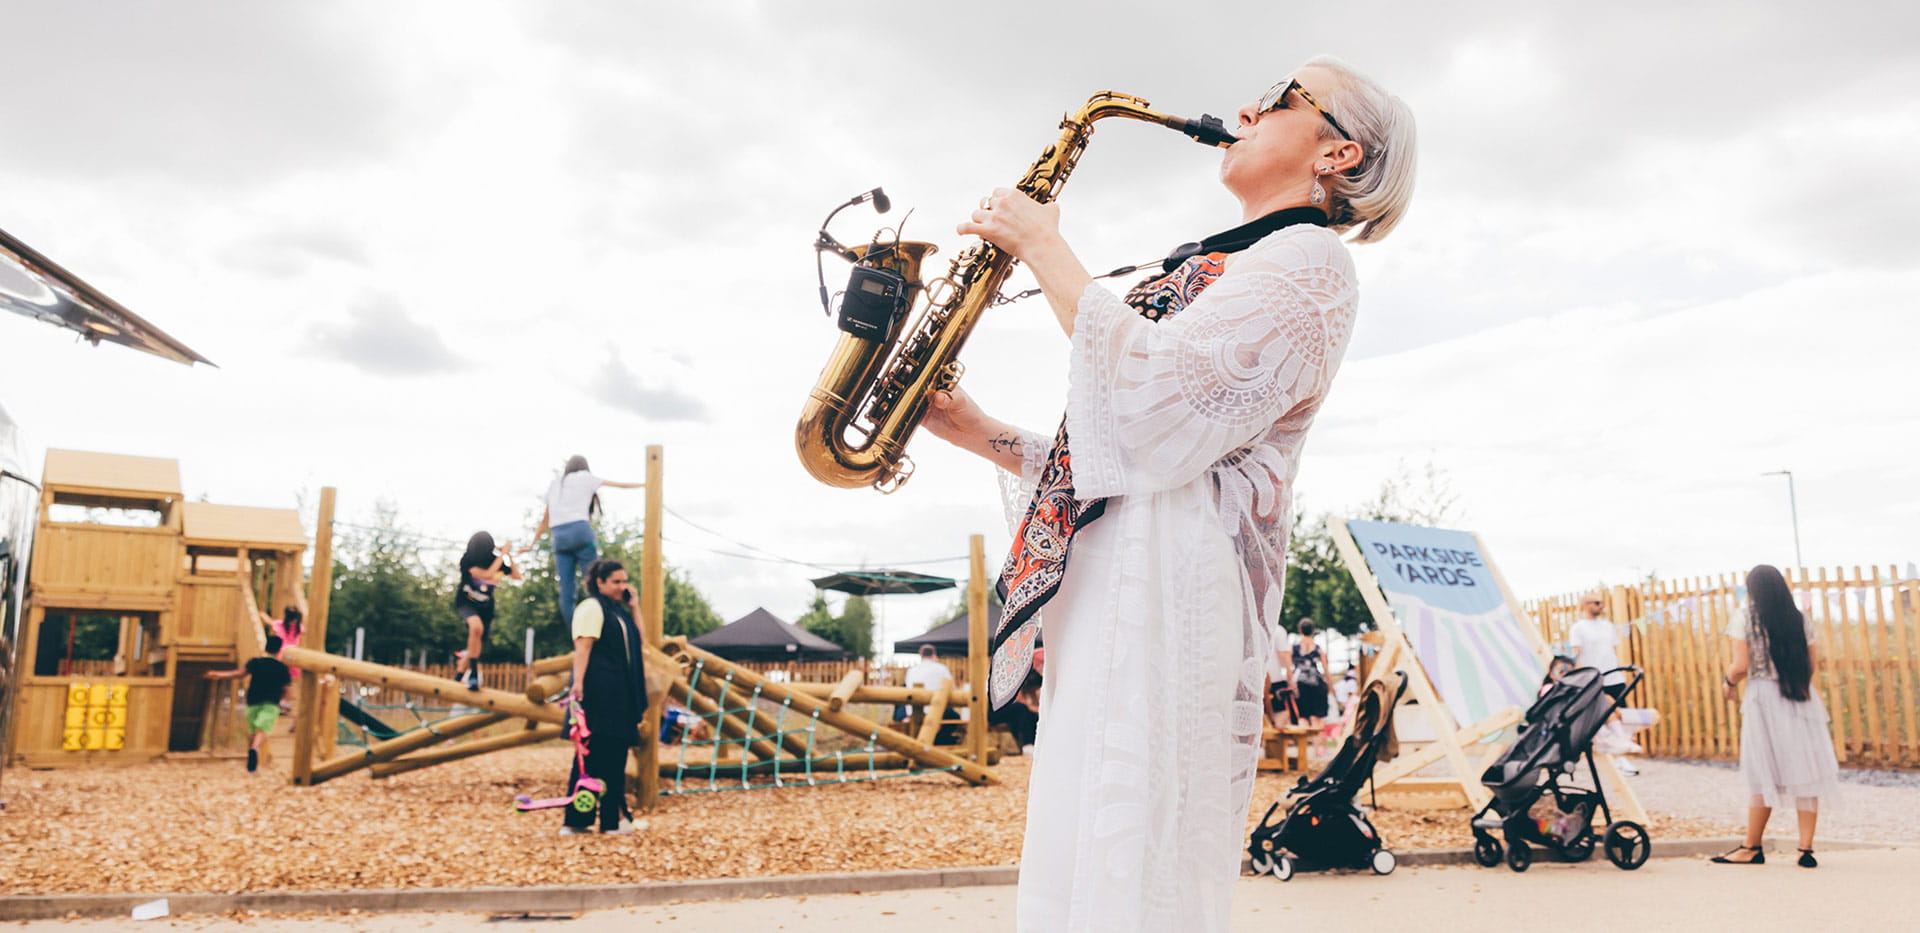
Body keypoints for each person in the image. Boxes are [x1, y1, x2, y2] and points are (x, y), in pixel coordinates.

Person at [921, 58, 1415, 931]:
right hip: (1127, 584)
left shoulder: (1311, 262)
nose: (1246, 107)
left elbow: (1155, 403)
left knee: (1128, 876)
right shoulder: (1246, 257)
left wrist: (1043, 245)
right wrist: (976, 429)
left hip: (1167, 593)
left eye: (1280, 97)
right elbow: (1129, 456)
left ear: (1338, 153)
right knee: (1086, 862)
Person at [1711, 564, 1839, 868]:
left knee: (1761, 771)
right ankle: (1805, 849)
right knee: (1806, 770)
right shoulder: (1799, 618)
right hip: (1799, 695)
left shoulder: (1744, 617)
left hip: (1763, 698)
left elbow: (1740, 666)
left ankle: (1751, 847)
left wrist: (1728, 684)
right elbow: (1812, 663)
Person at [563, 558, 649, 836]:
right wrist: (577, 683)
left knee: (614, 754)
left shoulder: (618, 612)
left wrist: (635, 607)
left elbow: (641, 641)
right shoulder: (592, 607)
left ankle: (611, 820)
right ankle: (581, 820)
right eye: (616, 581)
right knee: (593, 755)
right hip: (599, 691)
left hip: (619, 693)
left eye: (624, 581)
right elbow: (583, 646)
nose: (622, 586)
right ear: (599, 582)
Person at [528, 456, 644, 627]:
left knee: (567, 590)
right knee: (597, 582)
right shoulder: (585, 477)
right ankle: (604, 624)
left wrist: (532, 544)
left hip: (559, 537)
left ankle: (574, 630)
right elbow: (620, 485)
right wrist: (646, 484)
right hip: (580, 532)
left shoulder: (556, 484)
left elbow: (545, 519)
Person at [206, 635, 292, 773]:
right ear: (279, 650)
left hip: (253, 700)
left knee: (252, 731)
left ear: (266, 647)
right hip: (271, 702)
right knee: (263, 729)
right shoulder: (282, 668)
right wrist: (283, 701)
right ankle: (254, 749)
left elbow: (239, 674)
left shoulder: (255, 662)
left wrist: (220, 674)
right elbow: (286, 689)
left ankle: (251, 764)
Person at [453, 531, 520, 691]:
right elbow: (488, 574)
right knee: (476, 628)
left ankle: (458, 678)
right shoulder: (468, 560)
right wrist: (502, 554)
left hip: (486, 608)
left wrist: (508, 555)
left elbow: (517, 576)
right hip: (466, 602)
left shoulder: (496, 562)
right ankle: (474, 673)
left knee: (476, 645)